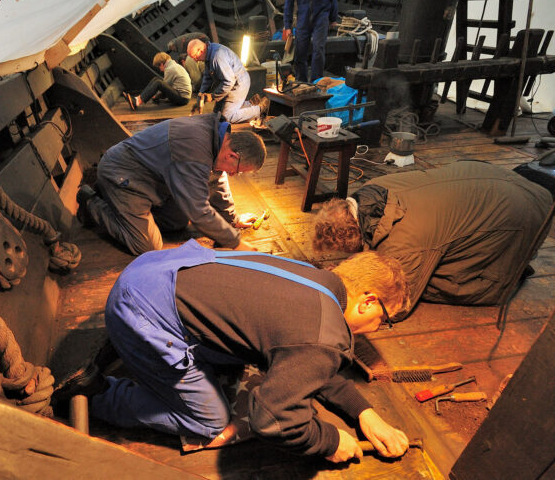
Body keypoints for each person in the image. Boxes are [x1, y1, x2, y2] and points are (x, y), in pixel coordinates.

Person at [57, 240, 411, 461]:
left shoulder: (315, 277)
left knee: (236, 364)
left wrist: (363, 412)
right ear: (367, 302)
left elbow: (307, 361)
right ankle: (98, 394)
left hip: (150, 270)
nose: (379, 328)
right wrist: (329, 441)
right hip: (138, 313)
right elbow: (272, 419)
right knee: (209, 420)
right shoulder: (323, 336)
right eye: (387, 319)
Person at [314, 161, 553, 319]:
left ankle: (514, 266)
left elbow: (398, 306)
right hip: (499, 180)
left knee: (439, 282)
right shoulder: (372, 189)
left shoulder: (404, 245)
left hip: (523, 213)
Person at [77, 113, 266, 255]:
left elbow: (218, 180)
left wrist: (232, 219)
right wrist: (236, 243)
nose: (234, 174)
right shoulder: (194, 149)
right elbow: (198, 210)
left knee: (177, 222)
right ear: (232, 155)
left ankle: (131, 213)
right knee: (147, 246)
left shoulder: (218, 138)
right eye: (238, 170)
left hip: (153, 181)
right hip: (124, 177)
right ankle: (92, 201)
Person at [187, 39, 269, 124]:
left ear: (201, 50)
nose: (195, 61)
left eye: (195, 57)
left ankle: (260, 109)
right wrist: (200, 97)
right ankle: (251, 104)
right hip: (229, 84)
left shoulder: (216, 57)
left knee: (227, 117)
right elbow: (207, 78)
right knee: (217, 115)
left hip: (238, 84)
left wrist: (213, 96)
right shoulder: (209, 53)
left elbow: (229, 82)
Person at [283, 0, 339, 82]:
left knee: (318, 49)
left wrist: (333, 18)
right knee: (300, 52)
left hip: (321, 18)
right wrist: (287, 25)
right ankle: (301, 82)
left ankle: (317, 82)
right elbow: (289, 2)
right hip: (303, 19)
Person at [122, 52, 191, 111]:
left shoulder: (170, 69)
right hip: (183, 96)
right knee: (156, 79)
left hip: (182, 99)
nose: (160, 70)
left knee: (158, 82)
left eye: (159, 67)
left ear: (161, 64)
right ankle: (137, 98)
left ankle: (137, 102)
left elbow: (164, 89)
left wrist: (156, 96)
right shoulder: (174, 65)